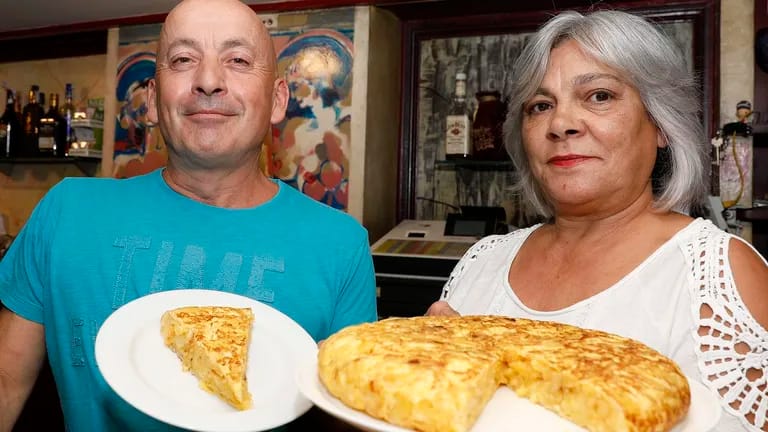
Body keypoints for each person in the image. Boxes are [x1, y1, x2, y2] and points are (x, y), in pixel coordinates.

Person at [0, 0, 377, 430]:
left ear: (277, 101)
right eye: (183, 59)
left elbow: (353, 415)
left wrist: (415, 373)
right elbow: (6, 382)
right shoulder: (68, 212)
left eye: (238, 60)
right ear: (153, 99)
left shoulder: (340, 244)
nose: (209, 81)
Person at [427, 9, 768, 432]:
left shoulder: (722, 277)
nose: (561, 124)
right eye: (540, 105)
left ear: (661, 124)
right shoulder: (482, 261)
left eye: (599, 96)